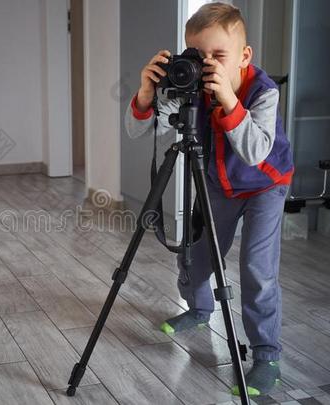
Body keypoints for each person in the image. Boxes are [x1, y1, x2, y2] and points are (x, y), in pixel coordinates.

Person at [124, 2, 294, 397]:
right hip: (219, 184)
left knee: (256, 266)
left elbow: (255, 152)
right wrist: (147, 94)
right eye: (198, 57)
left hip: (265, 185)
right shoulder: (191, 88)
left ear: (244, 56)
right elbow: (138, 133)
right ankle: (199, 309)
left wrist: (230, 102)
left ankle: (267, 354)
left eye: (219, 56)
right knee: (198, 250)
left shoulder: (262, 91)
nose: (208, 66)